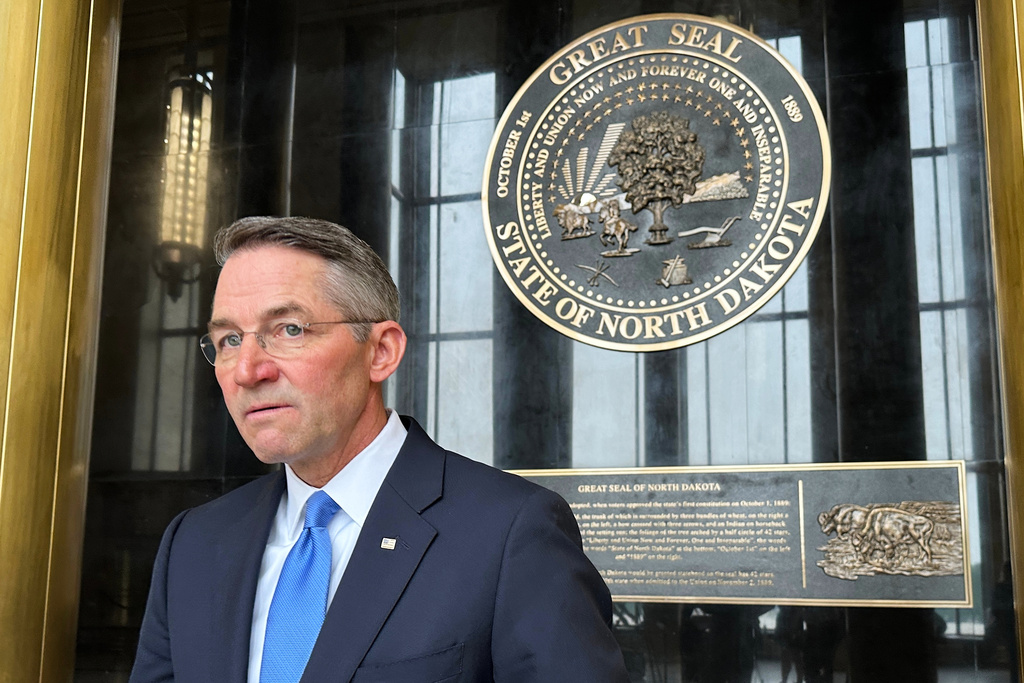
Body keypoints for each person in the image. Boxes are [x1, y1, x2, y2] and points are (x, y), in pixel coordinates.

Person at [129, 216, 629, 682]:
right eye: (230, 339)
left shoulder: (511, 533)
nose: (247, 370)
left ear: (381, 351)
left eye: (289, 330)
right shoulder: (194, 543)